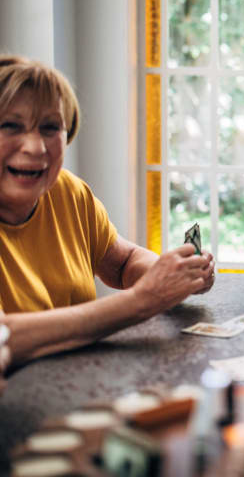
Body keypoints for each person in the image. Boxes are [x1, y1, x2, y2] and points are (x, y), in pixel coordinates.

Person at [0, 55, 215, 370]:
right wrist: (142, 300)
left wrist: (170, 277)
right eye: (10, 125)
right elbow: (6, 338)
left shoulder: (68, 192)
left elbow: (123, 263)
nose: (36, 147)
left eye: (50, 127)